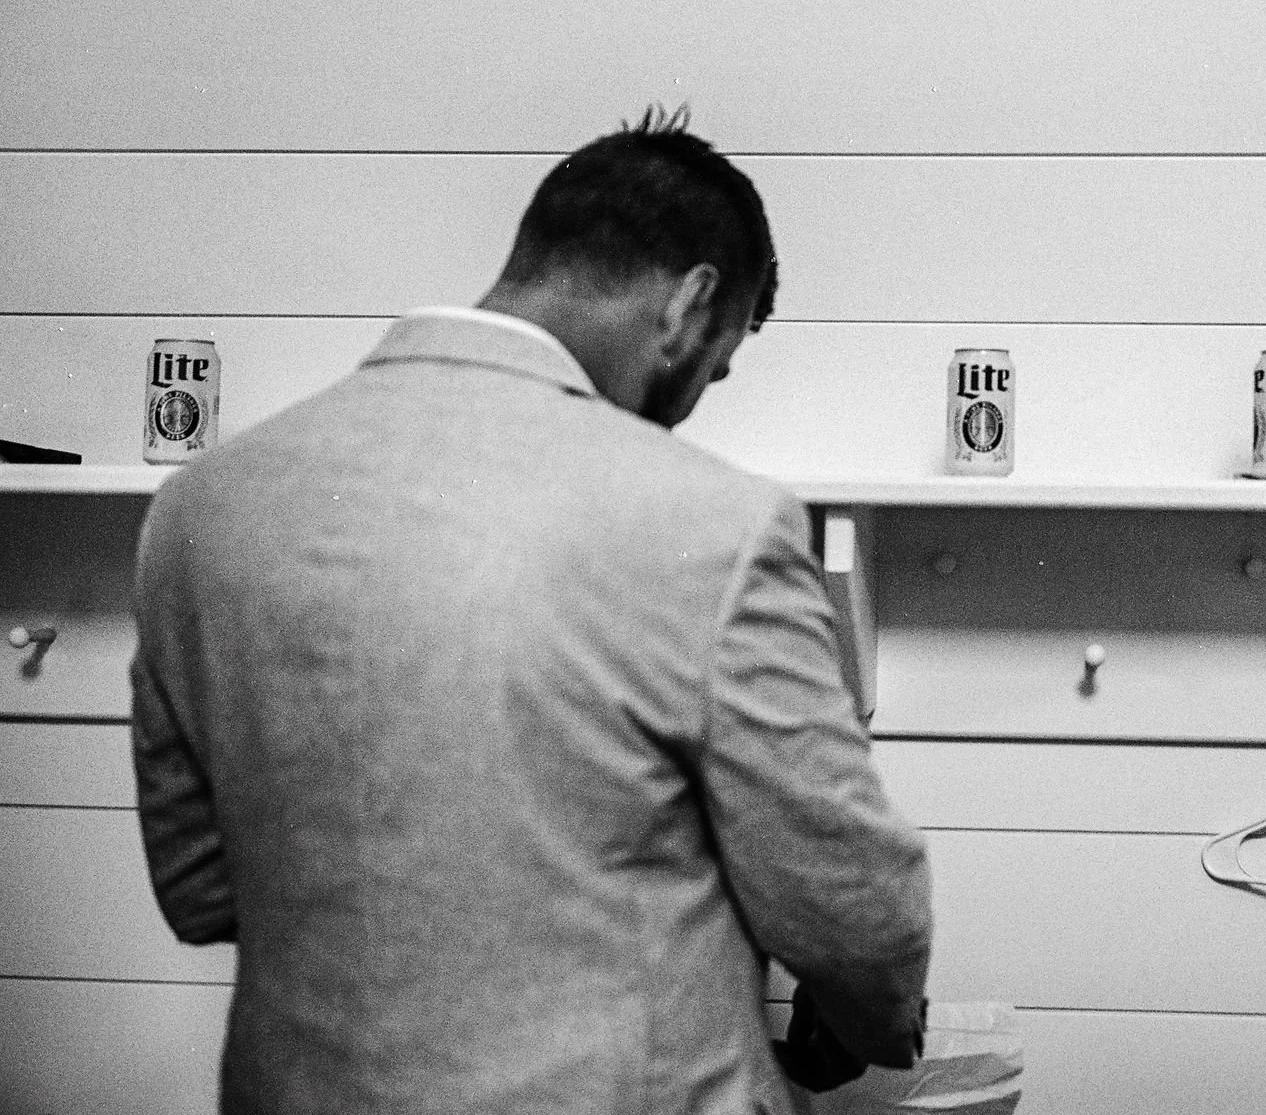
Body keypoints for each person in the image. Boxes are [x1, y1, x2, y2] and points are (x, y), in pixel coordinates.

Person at [131, 108, 933, 1114]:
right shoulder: (713, 523)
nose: (695, 400)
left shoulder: (201, 505)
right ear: (690, 305)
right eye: (714, 366)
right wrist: (866, 1019)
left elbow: (198, 886)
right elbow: (858, 907)